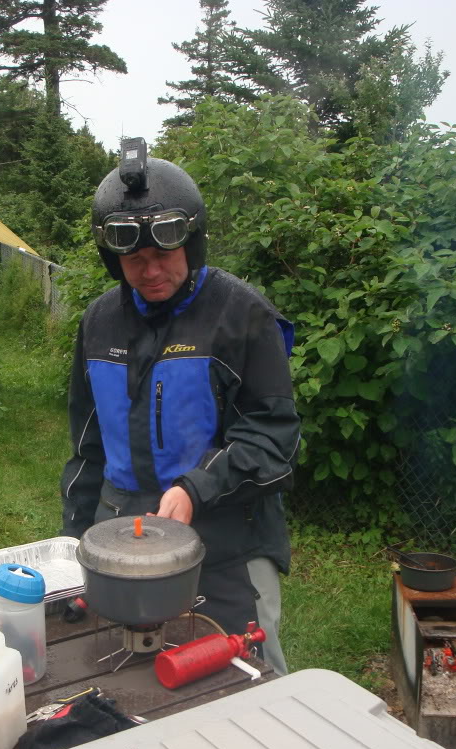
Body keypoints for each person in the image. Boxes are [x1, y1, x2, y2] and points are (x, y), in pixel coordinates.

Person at [60, 139, 300, 674]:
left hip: (225, 539)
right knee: (126, 678)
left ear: (192, 244)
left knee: (250, 676)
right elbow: (86, 444)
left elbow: (273, 437)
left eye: (163, 254)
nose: (150, 271)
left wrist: (196, 488)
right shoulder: (98, 324)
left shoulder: (241, 315)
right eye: (134, 258)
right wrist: (72, 541)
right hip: (121, 536)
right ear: (112, 256)